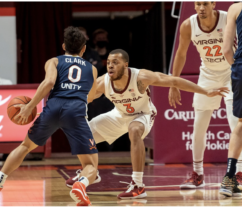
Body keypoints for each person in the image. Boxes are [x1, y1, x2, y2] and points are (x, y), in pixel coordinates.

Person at [66, 49, 228, 199]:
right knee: (82, 134)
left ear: (125, 65)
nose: (110, 66)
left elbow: (174, 81)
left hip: (143, 115)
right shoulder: (103, 82)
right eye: (108, 62)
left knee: (134, 129)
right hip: (119, 115)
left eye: (115, 62)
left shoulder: (140, 77)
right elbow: (85, 98)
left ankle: (138, 185)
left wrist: (205, 91)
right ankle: (90, 173)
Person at [0, 26, 98, 206]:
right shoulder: (92, 69)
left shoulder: (54, 61)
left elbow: (49, 82)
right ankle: (80, 184)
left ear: (63, 46)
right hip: (76, 110)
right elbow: (89, 95)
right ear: (83, 49)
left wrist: (30, 106)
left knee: (25, 146)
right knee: (90, 165)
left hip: (54, 106)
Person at [168, 1, 242, 188]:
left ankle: (239, 173)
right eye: (198, 4)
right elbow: (181, 54)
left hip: (229, 74)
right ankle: (197, 174)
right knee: (199, 126)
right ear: (194, 6)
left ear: (213, 4)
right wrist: (173, 84)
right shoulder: (188, 25)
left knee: (236, 124)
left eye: (205, 4)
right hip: (207, 75)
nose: (201, 8)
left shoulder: (228, 17)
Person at [219, 2, 242, 197]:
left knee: (241, 124)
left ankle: (228, 178)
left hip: (241, 69)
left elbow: (226, 49)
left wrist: (237, 67)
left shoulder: (235, 8)